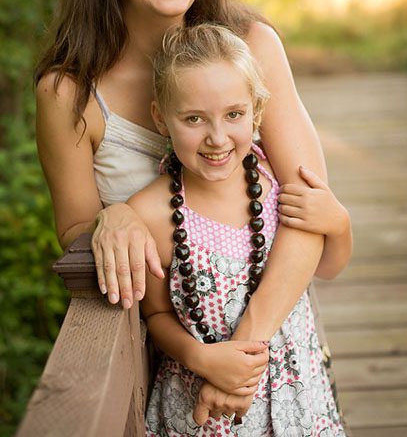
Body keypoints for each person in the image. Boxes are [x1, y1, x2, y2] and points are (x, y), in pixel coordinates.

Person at [34, 0, 351, 419]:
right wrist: (116, 218)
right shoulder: (70, 93)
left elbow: (308, 210)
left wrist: (240, 357)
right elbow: (75, 232)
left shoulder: (252, 45)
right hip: (169, 370)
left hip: (268, 348)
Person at [129, 23, 343, 435]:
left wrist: (340, 222)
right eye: (194, 118)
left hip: (296, 397)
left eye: (234, 115)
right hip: (202, 408)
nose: (216, 137)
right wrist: (198, 357)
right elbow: (155, 312)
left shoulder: (275, 183)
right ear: (161, 118)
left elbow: (331, 265)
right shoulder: (151, 214)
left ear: (256, 113)